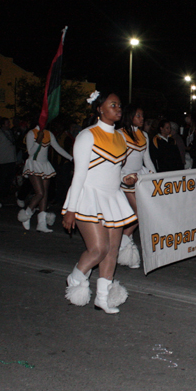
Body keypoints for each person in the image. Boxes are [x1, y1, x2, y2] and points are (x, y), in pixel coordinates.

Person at [62, 91, 137, 314]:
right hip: (90, 196)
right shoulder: (87, 136)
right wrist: (71, 210)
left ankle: (103, 299)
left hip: (113, 197)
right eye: (112, 105)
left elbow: (116, 168)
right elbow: (79, 175)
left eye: (119, 105)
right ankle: (75, 278)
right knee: (98, 249)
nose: (118, 108)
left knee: (112, 250)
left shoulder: (121, 137)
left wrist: (126, 178)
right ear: (99, 109)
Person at [116, 105, 156, 269]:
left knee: (136, 214)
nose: (142, 119)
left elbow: (147, 159)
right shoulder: (119, 134)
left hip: (140, 177)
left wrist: (155, 176)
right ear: (130, 116)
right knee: (140, 213)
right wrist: (122, 177)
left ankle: (127, 250)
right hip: (124, 178)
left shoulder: (144, 135)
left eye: (142, 116)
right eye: (138, 116)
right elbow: (116, 160)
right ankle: (124, 239)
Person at [18, 121, 73, 232]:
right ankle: (27, 214)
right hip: (34, 165)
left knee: (45, 194)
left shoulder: (49, 133)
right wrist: (38, 139)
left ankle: (41, 224)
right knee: (40, 193)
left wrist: (72, 158)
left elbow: (58, 148)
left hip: (45, 165)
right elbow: (31, 152)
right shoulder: (31, 133)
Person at [0, 117, 17, 208]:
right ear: (2, 124)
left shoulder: (10, 133)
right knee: (1, 179)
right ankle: (0, 195)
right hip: (2, 160)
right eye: (7, 123)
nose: (9, 124)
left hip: (11, 159)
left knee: (10, 178)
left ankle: (5, 194)